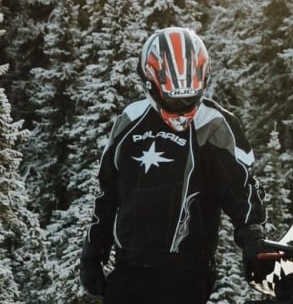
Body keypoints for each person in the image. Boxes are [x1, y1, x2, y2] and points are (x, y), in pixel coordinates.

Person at [81, 27, 271, 303]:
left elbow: (241, 188)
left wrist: (252, 237)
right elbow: (108, 193)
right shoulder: (129, 120)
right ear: (150, 83)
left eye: (188, 98)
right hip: (129, 267)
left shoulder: (213, 123)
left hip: (187, 269)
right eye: (173, 99)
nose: (181, 108)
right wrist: (93, 253)